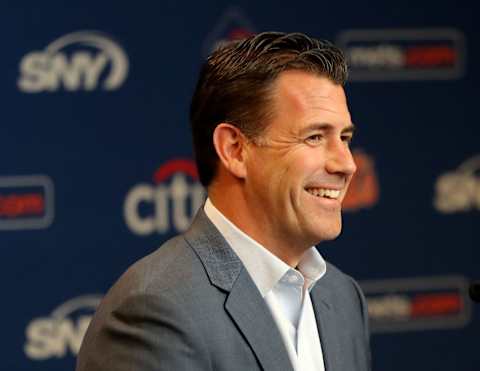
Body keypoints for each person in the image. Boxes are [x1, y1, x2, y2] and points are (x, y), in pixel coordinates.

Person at [76, 31, 371, 371]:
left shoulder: (342, 296)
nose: (346, 163)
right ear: (234, 150)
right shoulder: (157, 308)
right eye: (314, 137)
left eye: (345, 138)